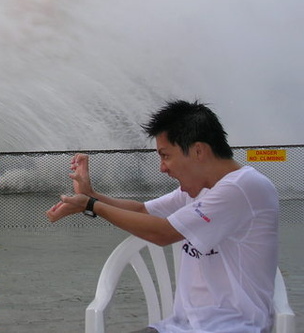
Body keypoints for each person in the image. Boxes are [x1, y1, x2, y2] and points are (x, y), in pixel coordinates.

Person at [46, 100, 279, 333]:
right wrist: (91, 195)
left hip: (233, 327)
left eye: (165, 156)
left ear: (198, 150)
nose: (162, 168)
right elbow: (142, 212)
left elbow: (163, 233)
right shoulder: (201, 189)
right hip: (178, 327)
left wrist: (92, 205)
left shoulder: (243, 188)